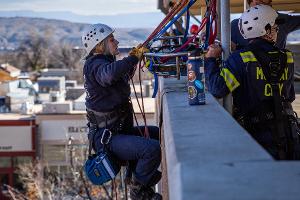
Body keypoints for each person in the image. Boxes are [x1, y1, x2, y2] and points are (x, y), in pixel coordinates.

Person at [205, 5, 300, 160]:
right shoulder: (287, 57)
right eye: (275, 27)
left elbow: (217, 88)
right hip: (289, 132)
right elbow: (288, 95)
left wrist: (210, 59)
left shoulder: (240, 58)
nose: (277, 30)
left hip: (258, 135)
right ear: (266, 30)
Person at [82, 23, 162, 200]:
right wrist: (133, 58)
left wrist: (135, 60)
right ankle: (138, 190)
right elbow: (109, 75)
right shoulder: (94, 64)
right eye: (112, 40)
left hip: (117, 132)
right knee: (151, 149)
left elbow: (118, 76)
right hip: (108, 138)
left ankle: (136, 176)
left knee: (157, 134)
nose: (116, 42)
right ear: (99, 45)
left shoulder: (104, 63)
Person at [231, 0, 300, 50]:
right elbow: (229, 47)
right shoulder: (235, 25)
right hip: (247, 68)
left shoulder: (281, 19)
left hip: (275, 67)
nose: (262, 6)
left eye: (266, 3)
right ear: (249, 2)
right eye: (258, 3)